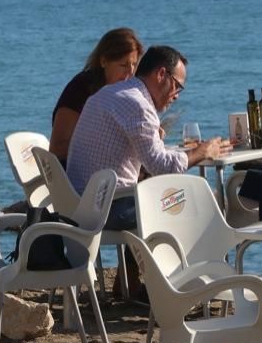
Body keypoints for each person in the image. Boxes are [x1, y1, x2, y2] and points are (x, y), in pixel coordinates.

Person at [66, 45, 229, 296]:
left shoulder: (110, 93)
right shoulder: (137, 104)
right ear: (161, 74)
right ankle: (183, 288)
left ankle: (130, 284)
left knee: (154, 197)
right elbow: (161, 165)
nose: (176, 95)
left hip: (80, 201)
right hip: (105, 207)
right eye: (177, 86)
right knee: (196, 204)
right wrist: (203, 152)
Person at [50, 28, 144, 168]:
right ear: (103, 61)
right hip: (74, 175)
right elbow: (58, 149)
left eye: (134, 65)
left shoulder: (123, 92)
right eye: (123, 65)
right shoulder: (81, 89)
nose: (130, 73)